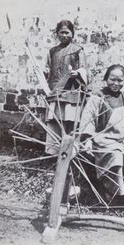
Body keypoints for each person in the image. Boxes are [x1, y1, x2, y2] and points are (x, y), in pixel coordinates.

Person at [80, 64, 124, 217]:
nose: (116, 84)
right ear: (106, 79)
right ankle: (113, 193)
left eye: (120, 80)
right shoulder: (97, 97)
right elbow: (87, 120)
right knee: (116, 156)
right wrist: (88, 139)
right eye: (112, 79)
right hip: (103, 139)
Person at [45, 20, 89, 155]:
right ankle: (54, 152)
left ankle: (71, 152)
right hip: (56, 91)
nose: (64, 35)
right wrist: (44, 72)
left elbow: (84, 69)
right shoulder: (52, 51)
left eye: (67, 32)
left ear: (72, 33)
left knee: (70, 121)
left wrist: (78, 73)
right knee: (56, 121)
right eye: (61, 32)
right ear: (57, 34)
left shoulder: (77, 50)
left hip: (71, 91)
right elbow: (48, 68)